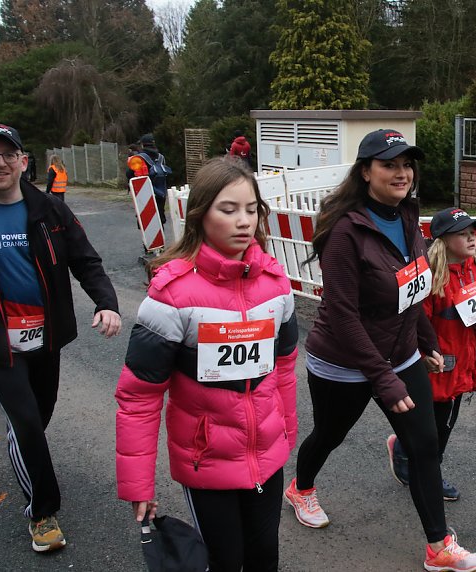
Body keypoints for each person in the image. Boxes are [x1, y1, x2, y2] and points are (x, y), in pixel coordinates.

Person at [282, 129, 476, 572]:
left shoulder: (408, 217)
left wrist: (426, 340)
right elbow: (342, 313)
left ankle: (439, 547)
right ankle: (300, 487)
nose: (402, 173)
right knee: (330, 434)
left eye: (407, 165)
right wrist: (381, 378)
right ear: (365, 172)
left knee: (424, 444)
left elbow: (410, 288)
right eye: (390, 165)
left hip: (401, 354)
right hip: (344, 361)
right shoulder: (346, 232)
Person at [115, 157, 299, 572]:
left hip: (267, 459)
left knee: (264, 559)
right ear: (200, 215)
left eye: (251, 210)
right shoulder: (170, 296)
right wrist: (138, 484)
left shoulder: (276, 285)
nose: (243, 221)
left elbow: (285, 367)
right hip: (206, 463)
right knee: (224, 562)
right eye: (228, 209)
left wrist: (286, 433)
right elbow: (138, 397)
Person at [0, 123, 121, 553]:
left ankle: (25, 445)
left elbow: (86, 259)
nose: (0, 162)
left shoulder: (49, 210)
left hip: (46, 335)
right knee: (26, 422)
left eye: (9, 154)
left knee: (40, 413)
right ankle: (42, 512)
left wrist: (107, 302)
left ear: (24, 161)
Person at [386, 207, 476, 502]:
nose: (472, 239)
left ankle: (414, 459)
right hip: (430, 368)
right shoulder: (431, 278)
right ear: (443, 239)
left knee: (440, 428)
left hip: (460, 370)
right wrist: (423, 352)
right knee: (430, 429)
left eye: (473, 233)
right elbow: (411, 321)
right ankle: (426, 474)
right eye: (463, 234)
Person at [135, 134, 171, 225]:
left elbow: (130, 174)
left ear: (143, 145)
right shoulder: (161, 158)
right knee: (159, 221)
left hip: (145, 194)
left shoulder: (139, 158)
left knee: (147, 224)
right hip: (160, 193)